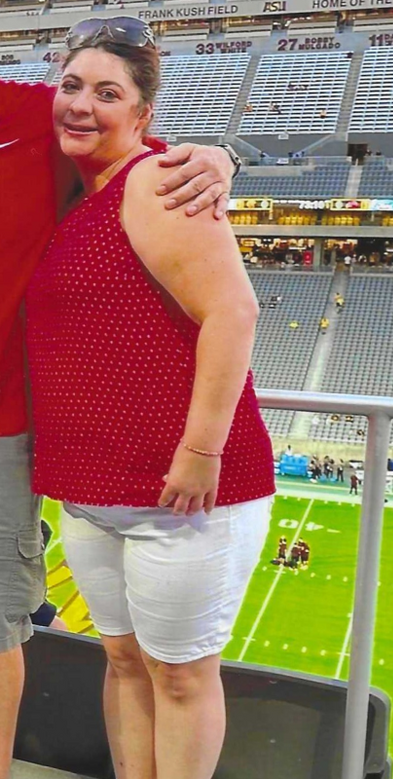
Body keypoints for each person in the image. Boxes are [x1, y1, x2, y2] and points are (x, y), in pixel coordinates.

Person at [25, 18, 275, 779]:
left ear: (142, 113)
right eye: (71, 86)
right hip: (94, 489)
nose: (81, 104)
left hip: (180, 492)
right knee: (125, 660)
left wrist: (201, 451)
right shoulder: (79, 189)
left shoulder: (152, 181)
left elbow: (233, 312)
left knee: (181, 675)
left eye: (107, 93)